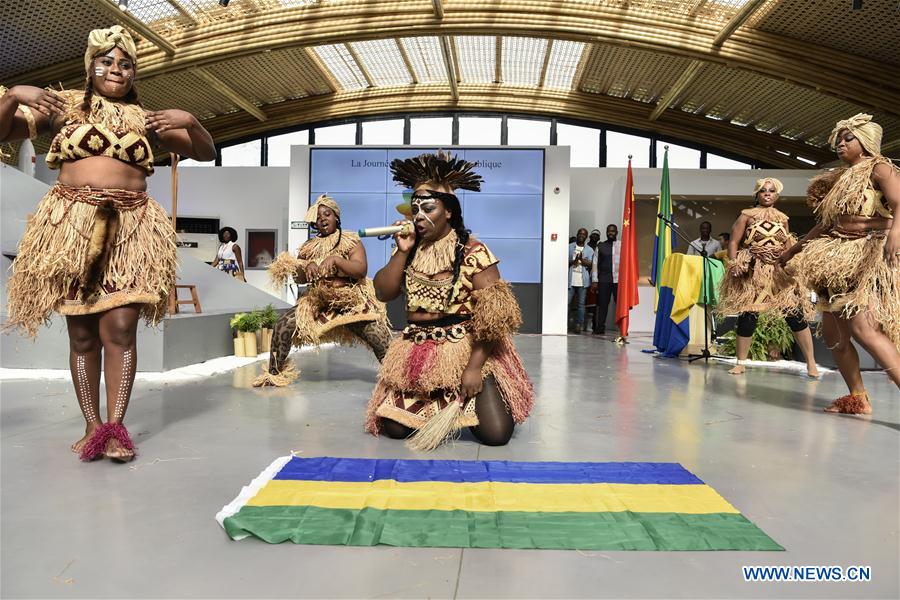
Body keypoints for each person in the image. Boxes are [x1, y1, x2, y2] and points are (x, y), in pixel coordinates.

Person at [1, 26, 216, 462]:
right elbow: (3, 133)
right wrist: (12, 96)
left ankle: (116, 427)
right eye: (106, 61)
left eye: (125, 64)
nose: (116, 70)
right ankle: (91, 425)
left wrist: (190, 121)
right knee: (82, 337)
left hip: (131, 229)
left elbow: (206, 152)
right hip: (71, 228)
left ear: (134, 72)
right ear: (90, 66)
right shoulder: (63, 108)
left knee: (120, 328)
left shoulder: (149, 120)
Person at [366, 151, 534, 450]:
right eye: (414, 208)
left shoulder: (474, 252)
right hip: (417, 349)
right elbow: (382, 292)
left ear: (449, 212)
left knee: (496, 435)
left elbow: (493, 320)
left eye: (428, 208)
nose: (418, 216)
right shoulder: (410, 249)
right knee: (394, 429)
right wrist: (402, 251)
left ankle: (455, 403)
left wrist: (473, 368)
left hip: (466, 348)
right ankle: (440, 408)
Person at [781, 114, 900, 414]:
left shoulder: (880, 168)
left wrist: (895, 234)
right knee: (835, 336)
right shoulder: (838, 178)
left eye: (849, 138)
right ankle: (857, 397)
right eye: (839, 139)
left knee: (865, 329)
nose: (840, 143)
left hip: (867, 255)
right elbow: (825, 224)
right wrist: (792, 250)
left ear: (866, 141)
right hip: (834, 260)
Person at [253, 195, 393, 386]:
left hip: (349, 299)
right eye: (318, 218)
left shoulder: (350, 240)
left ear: (336, 217)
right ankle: (274, 373)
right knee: (282, 325)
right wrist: (306, 266)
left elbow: (361, 270)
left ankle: (396, 376)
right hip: (318, 299)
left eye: (327, 214)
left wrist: (336, 260)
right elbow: (298, 278)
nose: (323, 219)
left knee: (377, 333)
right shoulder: (308, 247)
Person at [717, 178, 819, 378]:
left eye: (771, 191)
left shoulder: (783, 218)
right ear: (757, 194)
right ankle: (741, 362)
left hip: (779, 273)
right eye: (763, 191)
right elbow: (734, 241)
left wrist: (793, 266)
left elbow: (788, 245)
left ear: (777, 195)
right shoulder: (747, 215)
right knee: (748, 316)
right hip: (755, 271)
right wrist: (735, 263)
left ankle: (811, 363)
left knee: (794, 315)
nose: (767, 194)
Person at [590, 224, 620, 335]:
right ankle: (600, 327)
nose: (610, 233)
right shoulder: (601, 246)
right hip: (604, 280)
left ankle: (623, 328)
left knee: (620, 305)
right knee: (602, 305)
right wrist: (594, 280)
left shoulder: (622, 245)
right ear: (606, 232)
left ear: (616, 232)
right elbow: (595, 263)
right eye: (609, 231)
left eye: (613, 231)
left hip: (618, 280)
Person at [568, 228, 594, 333]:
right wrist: (573, 261)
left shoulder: (589, 250)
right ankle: (563, 324)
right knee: (567, 303)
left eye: (584, 234)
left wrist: (581, 260)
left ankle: (578, 325)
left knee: (581, 304)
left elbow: (591, 264)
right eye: (580, 233)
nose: (581, 235)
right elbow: (563, 261)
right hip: (570, 279)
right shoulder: (570, 247)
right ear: (577, 234)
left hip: (583, 281)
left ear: (586, 236)